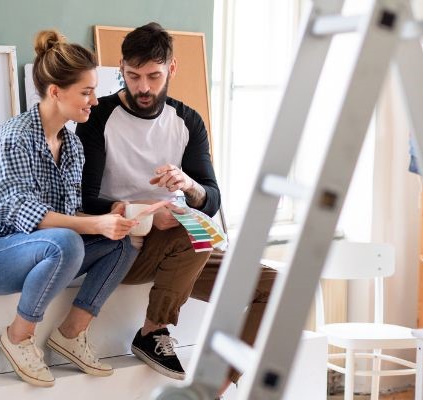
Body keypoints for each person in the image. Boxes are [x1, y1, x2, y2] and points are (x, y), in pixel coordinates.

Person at [76, 22, 277, 393]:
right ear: (120, 68)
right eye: (133, 76)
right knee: (187, 227)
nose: (143, 88)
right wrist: (148, 214)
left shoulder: (187, 121)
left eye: (153, 76)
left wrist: (189, 184)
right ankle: (153, 331)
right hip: (123, 247)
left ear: (172, 68)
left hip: (180, 248)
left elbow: (212, 199)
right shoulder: (99, 118)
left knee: (272, 285)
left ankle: (217, 387)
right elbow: (84, 199)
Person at [0, 29, 139, 388]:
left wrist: (109, 222)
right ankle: (18, 337)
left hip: (33, 251)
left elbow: (66, 214)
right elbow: (30, 218)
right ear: (55, 91)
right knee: (66, 242)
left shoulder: (73, 146)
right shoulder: (16, 139)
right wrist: (94, 224)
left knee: (121, 244)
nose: (94, 101)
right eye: (86, 92)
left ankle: (71, 333)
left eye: (93, 91)